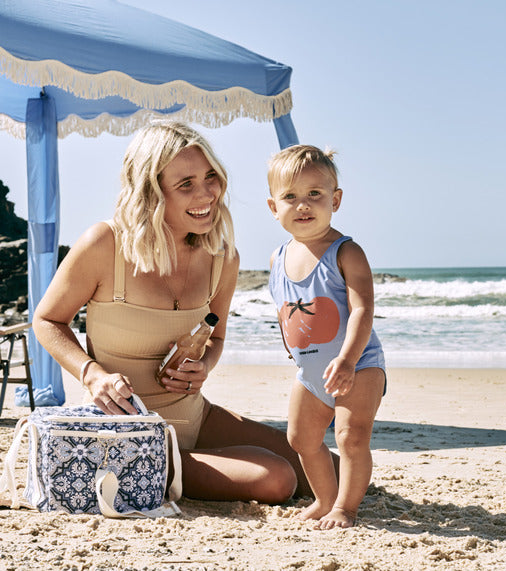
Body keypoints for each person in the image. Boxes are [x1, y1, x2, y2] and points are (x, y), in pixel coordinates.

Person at [33, 121, 308, 504]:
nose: (207, 193)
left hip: (195, 417)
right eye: (186, 184)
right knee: (276, 479)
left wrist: (205, 366)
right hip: (127, 433)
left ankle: (183, 465)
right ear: (151, 191)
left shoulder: (222, 258)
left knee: (330, 469)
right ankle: (155, 468)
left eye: (211, 176)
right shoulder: (105, 244)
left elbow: (218, 336)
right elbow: (47, 320)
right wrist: (92, 375)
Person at [266, 144, 386, 529]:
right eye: (291, 197)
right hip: (312, 372)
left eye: (314, 194)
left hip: (358, 364)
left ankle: (345, 509)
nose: (303, 205)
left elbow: (363, 309)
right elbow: (287, 308)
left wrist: (349, 359)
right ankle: (325, 499)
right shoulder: (277, 259)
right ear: (274, 207)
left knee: (351, 437)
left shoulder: (346, 252)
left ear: (335, 200)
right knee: (301, 438)